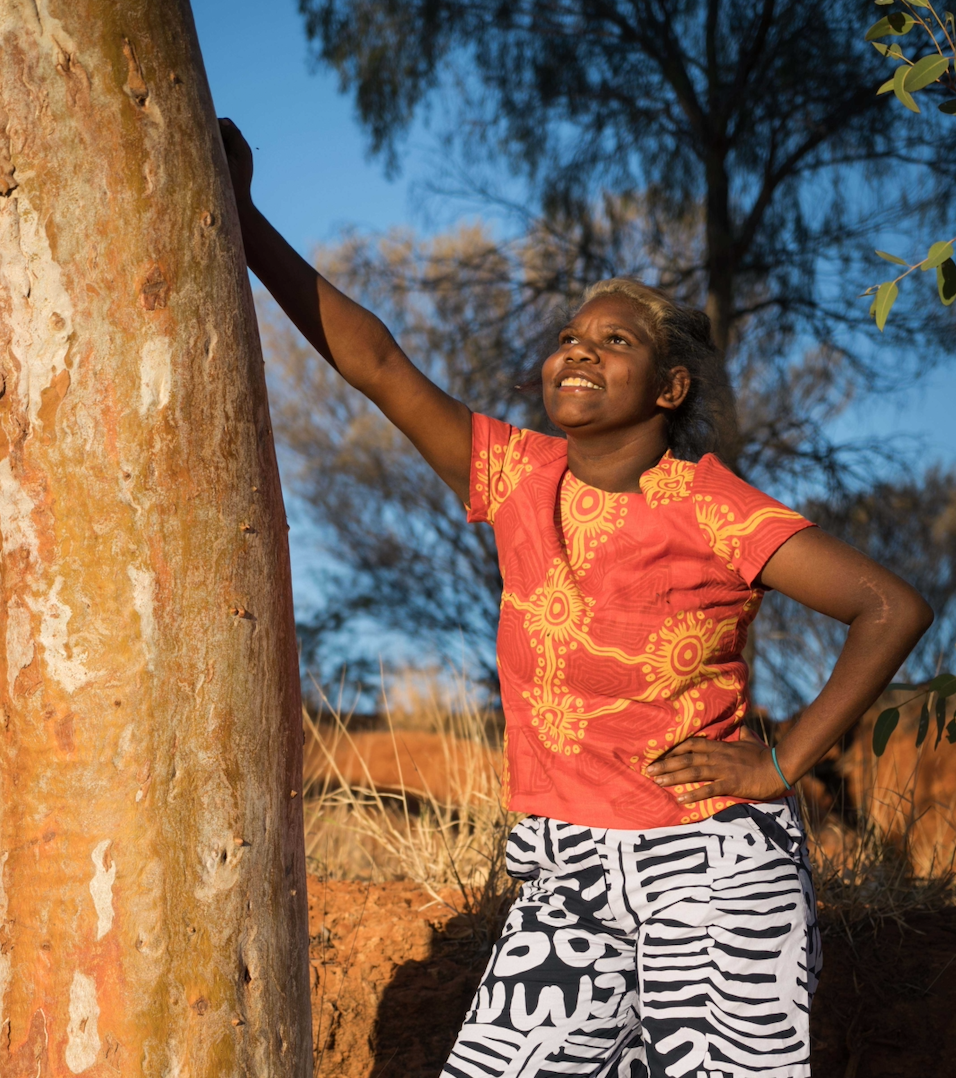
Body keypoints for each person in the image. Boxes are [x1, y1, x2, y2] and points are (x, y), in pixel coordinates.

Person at [218, 118, 933, 1078]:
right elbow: (378, 365)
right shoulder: (514, 473)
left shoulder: (711, 506)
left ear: (671, 386)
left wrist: (779, 765)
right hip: (568, 872)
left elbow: (889, 606)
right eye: (568, 338)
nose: (579, 352)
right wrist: (245, 219)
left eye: (615, 340)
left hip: (712, 870)